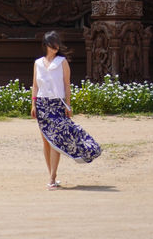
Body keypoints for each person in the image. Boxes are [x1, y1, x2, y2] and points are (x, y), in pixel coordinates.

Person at [31, 31, 101, 189]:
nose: (55, 47)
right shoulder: (38, 63)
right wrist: (33, 105)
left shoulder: (62, 62)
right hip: (42, 104)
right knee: (46, 141)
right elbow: (35, 86)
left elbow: (66, 85)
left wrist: (68, 105)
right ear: (46, 45)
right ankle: (52, 176)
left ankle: (52, 176)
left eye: (57, 44)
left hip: (57, 104)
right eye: (52, 44)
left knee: (55, 140)